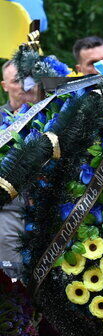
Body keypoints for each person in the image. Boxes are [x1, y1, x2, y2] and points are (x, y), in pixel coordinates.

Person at [0, 60, 41, 278]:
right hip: (8, 224)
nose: (26, 86)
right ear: (4, 86)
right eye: (17, 80)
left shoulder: (59, 116)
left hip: (51, 222)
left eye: (30, 79)